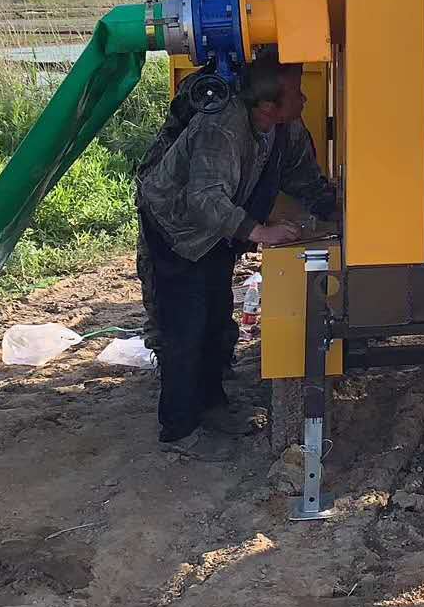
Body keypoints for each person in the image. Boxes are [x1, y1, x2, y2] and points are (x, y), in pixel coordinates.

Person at [135, 53, 339, 461]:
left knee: (215, 318)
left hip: (215, 231)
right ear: (267, 105)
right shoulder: (222, 127)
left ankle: (212, 405)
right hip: (176, 228)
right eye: (297, 93)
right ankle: (179, 430)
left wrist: (341, 211)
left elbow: (303, 177)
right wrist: (260, 232)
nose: (304, 100)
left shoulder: (283, 128)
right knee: (185, 327)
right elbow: (204, 199)